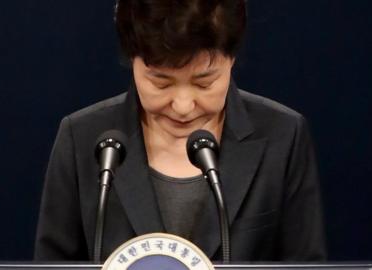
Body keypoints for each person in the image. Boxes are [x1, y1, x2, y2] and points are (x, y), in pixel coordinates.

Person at [34, 0, 327, 262]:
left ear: (232, 59)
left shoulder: (283, 136)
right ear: (132, 61)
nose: (183, 106)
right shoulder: (82, 138)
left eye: (204, 83)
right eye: (161, 83)